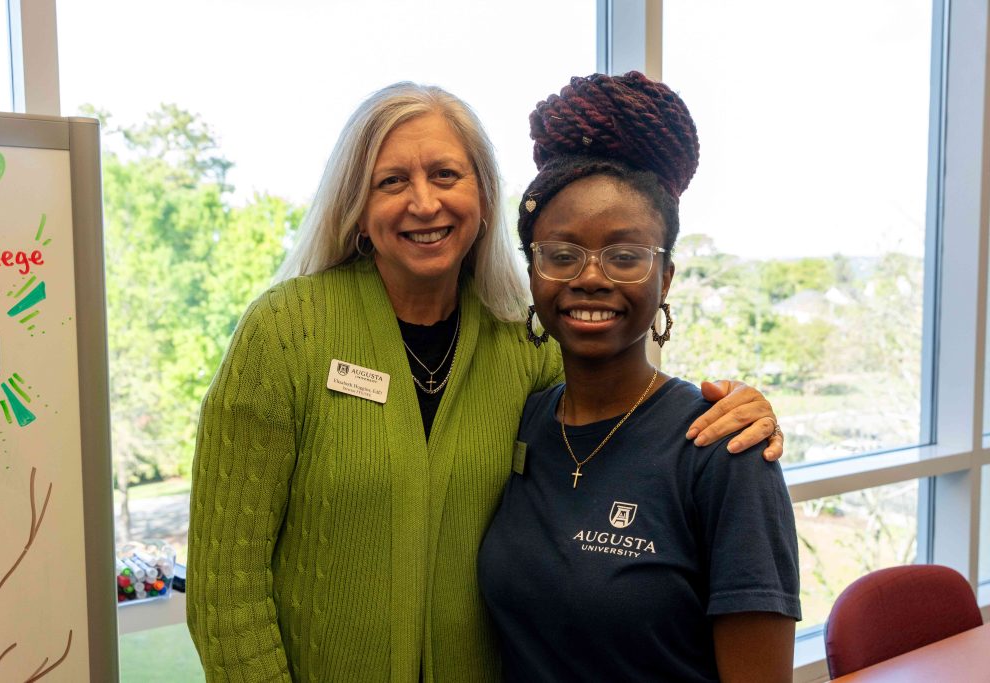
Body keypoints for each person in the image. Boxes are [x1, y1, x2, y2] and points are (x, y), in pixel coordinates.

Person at [186, 81, 787, 683]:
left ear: (483, 198)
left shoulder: (519, 348)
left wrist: (743, 409)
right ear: (358, 209)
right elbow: (224, 587)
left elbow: (618, 402)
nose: (425, 203)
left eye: (446, 175)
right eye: (392, 180)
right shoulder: (287, 333)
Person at [477, 72, 801, 683]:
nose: (591, 277)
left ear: (667, 278)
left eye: (626, 255)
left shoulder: (722, 450)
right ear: (533, 272)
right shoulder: (522, 423)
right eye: (561, 253)